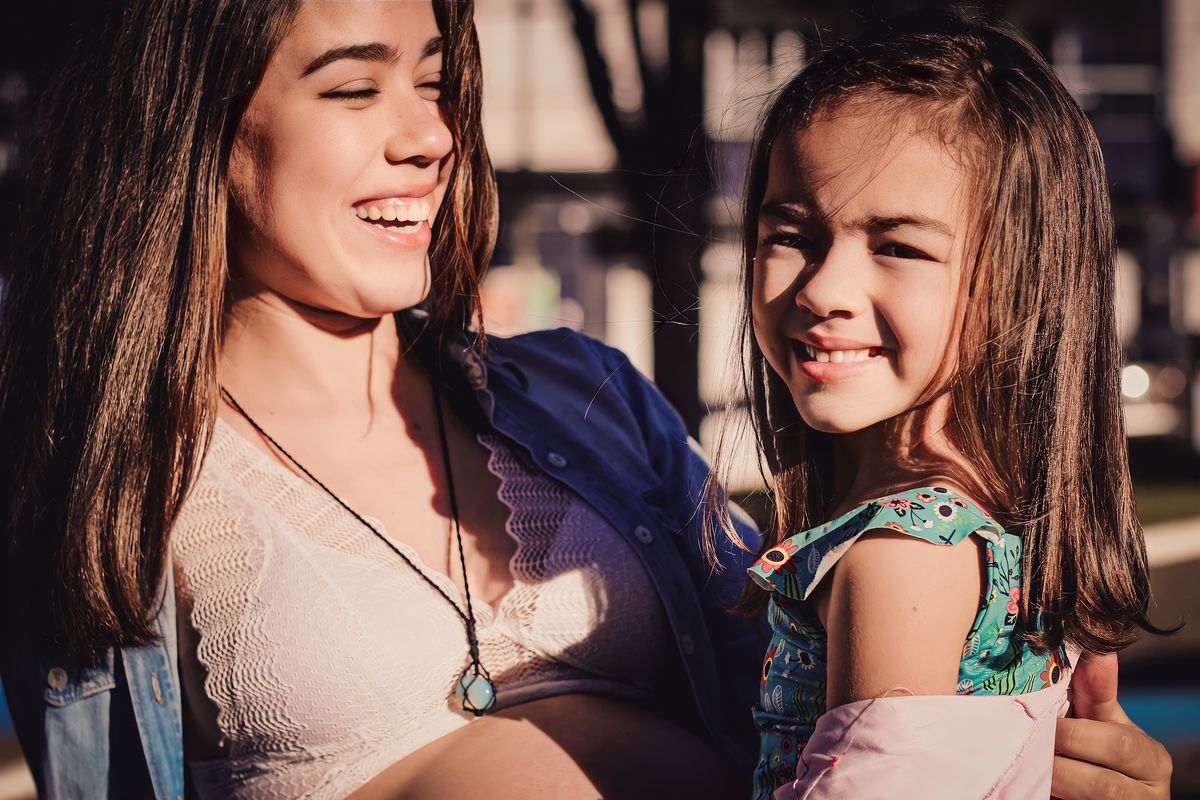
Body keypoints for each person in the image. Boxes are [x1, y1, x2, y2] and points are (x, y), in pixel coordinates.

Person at [0, 2, 1172, 799]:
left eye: (442, 84)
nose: (430, 135)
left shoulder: (585, 392)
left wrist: (1034, 749)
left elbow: (831, 695)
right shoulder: (106, 473)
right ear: (193, 119)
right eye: (354, 88)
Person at [703, 9, 1175, 799]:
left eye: (898, 247)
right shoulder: (994, 527)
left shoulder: (900, 556)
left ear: (1022, 285)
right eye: (793, 234)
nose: (823, 289)